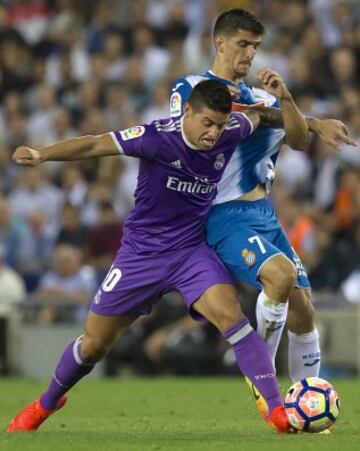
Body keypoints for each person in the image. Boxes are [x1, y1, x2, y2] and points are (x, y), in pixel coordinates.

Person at [7, 77, 308, 434]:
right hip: (141, 255)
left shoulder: (232, 129)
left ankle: (276, 412)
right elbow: (93, 146)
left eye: (220, 124)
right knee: (93, 346)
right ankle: (46, 403)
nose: (214, 133)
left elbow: (263, 117)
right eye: (207, 123)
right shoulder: (154, 137)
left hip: (190, 252)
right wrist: (44, 154)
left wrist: (307, 120)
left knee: (231, 315)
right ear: (187, 112)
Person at [169, 9, 357, 398]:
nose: (250, 53)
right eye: (242, 44)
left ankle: (307, 398)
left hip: (263, 213)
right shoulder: (192, 88)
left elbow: (297, 138)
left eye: (255, 46)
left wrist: (288, 100)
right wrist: (255, 110)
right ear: (219, 43)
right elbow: (190, 140)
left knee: (304, 308)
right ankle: (262, 377)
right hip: (224, 213)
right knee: (280, 277)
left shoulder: (264, 97)